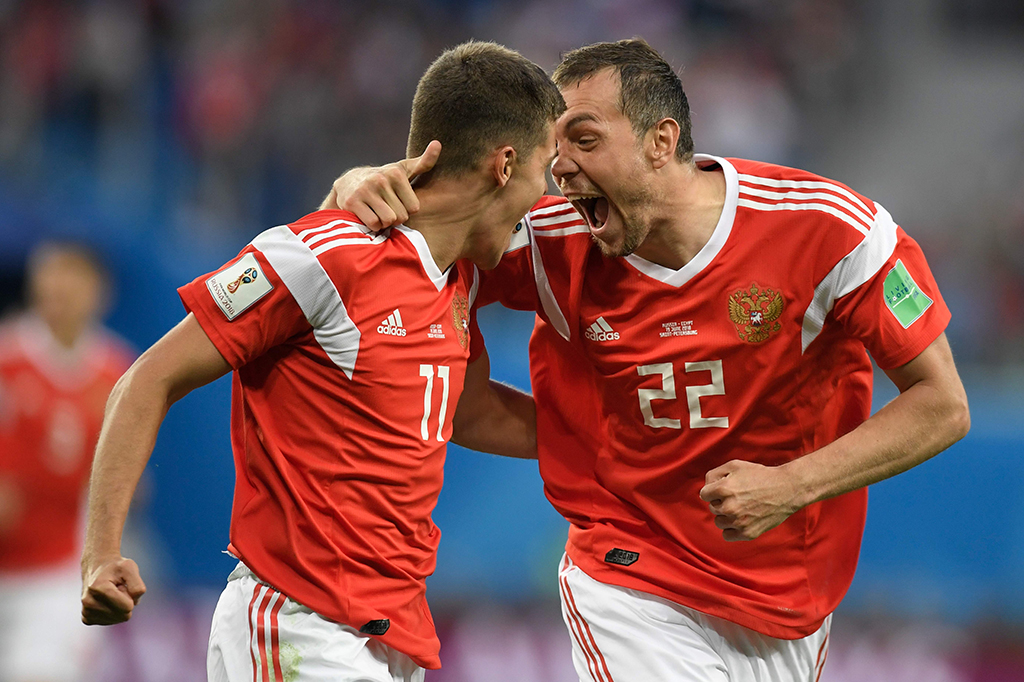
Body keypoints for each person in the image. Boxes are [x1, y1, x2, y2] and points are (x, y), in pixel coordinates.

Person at [330, 38, 970, 682]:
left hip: (788, 598)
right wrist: (354, 186)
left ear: (661, 141)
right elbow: (407, 241)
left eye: (584, 139)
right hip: (629, 575)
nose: (561, 169)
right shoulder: (551, 241)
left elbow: (942, 404)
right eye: (554, 149)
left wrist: (792, 485)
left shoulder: (832, 231)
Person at [79, 41, 561, 682]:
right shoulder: (325, 255)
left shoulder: (459, 277)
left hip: (393, 635)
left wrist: (604, 439)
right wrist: (100, 553)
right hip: (299, 621)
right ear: (505, 165)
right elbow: (148, 378)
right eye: (545, 168)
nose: (545, 194)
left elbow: (466, 412)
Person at [0, 242, 134, 682]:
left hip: (55, 570)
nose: (59, 287)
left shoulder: (116, 372)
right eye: (50, 274)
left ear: (100, 292)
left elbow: (129, 477)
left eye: (72, 277)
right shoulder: (6, 356)